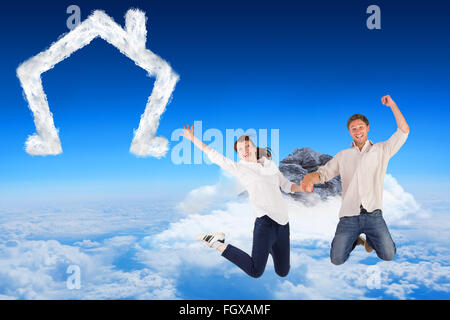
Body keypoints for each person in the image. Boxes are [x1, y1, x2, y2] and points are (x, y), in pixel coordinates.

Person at [182, 124, 308, 278]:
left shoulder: (269, 165)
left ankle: (266, 246)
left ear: (255, 147)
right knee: (255, 271)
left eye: (247, 146)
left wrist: (302, 188)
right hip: (265, 223)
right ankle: (216, 242)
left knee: (283, 272)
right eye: (240, 150)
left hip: (283, 223)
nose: (244, 151)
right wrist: (192, 138)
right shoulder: (241, 168)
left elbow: (287, 186)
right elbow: (214, 155)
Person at [301, 95, 410, 265]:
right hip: (348, 216)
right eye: (353, 128)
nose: (357, 131)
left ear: (367, 128)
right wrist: (308, 178)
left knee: (388, 254)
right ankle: (356, 240)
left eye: (360, 127)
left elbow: (403, 131)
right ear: (349, 132)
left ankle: (371, 240)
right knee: (337, 259)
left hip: (373, 214)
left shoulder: (382, 150)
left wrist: (393, 105)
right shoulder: (343, 155)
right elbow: (322, 174)